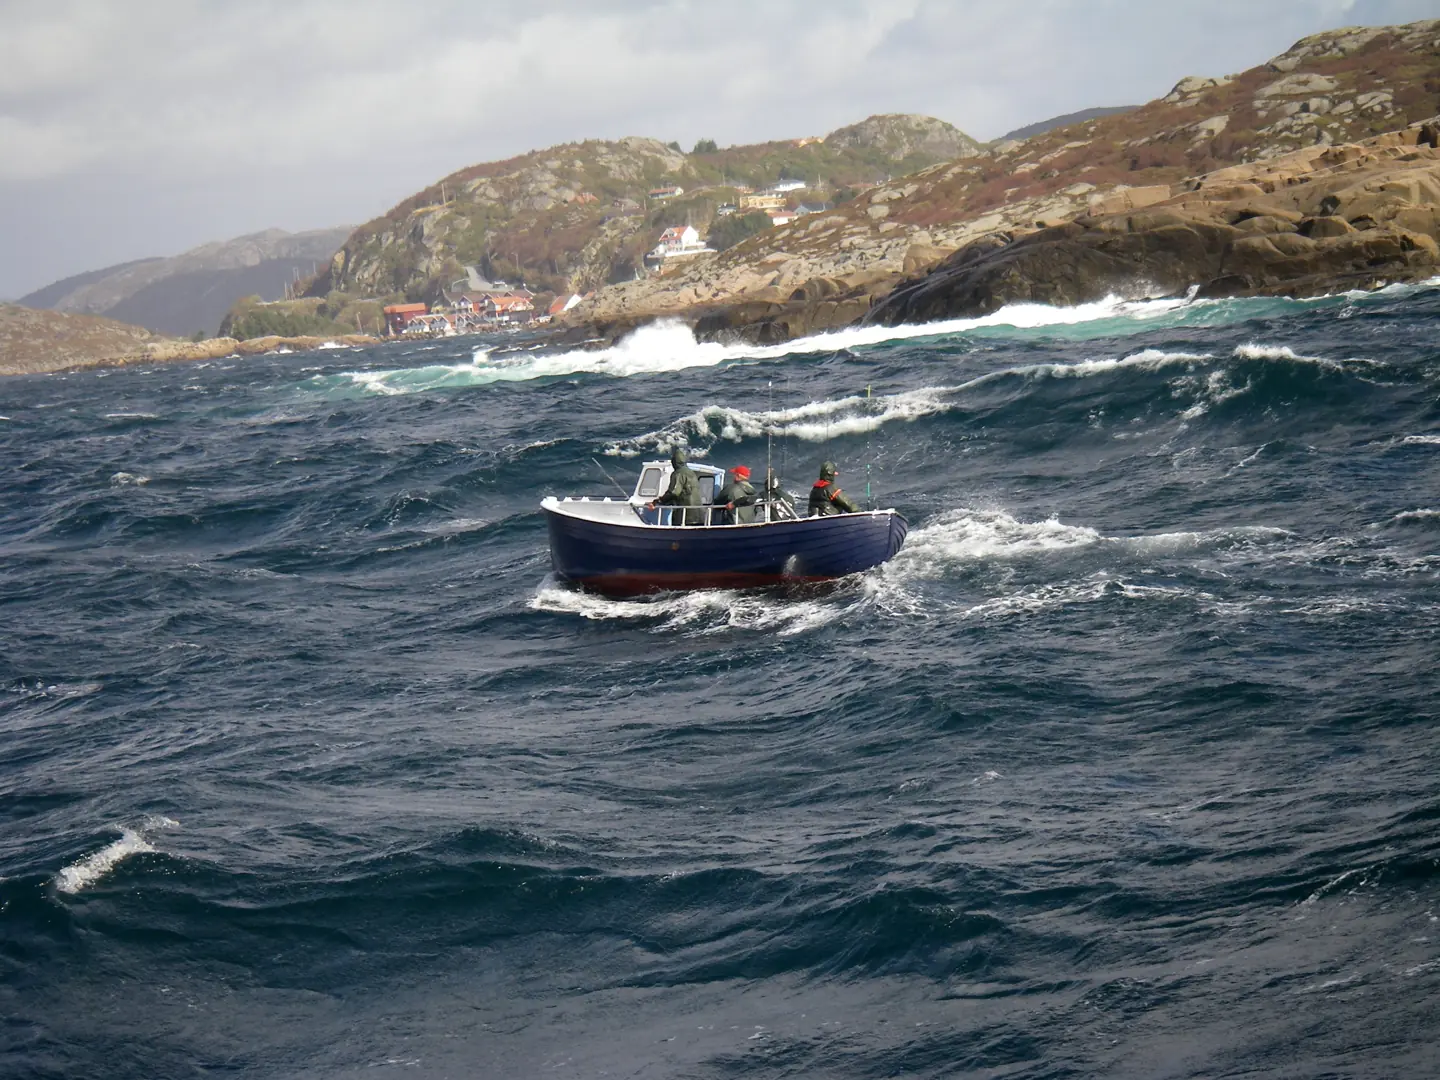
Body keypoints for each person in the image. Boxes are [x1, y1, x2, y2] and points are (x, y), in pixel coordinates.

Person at [648, 446, 702, 524]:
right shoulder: (692, 473)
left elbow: (673, 492)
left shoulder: (678, 473)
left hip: (686, 515)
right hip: (699, 514)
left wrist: (657, 501)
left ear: (674, 462)